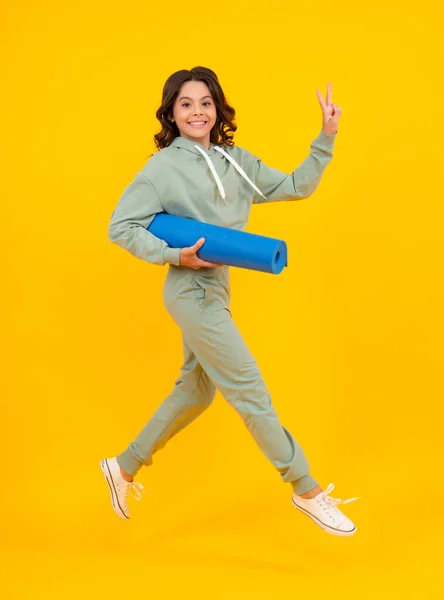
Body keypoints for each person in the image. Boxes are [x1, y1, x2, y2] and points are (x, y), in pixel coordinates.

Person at [100, 66, 359, 536]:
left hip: (217, 286)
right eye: (185, 104)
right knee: (249, 389)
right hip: (189, 289)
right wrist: (172, 253)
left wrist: (326, 137)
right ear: (172, 115)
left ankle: (124, 466)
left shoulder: (234, 161)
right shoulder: (162, 168)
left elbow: (295, 186)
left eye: (204, 102)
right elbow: (121, 226)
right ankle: (307, 489)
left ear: (217, 108)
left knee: (196, 392)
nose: (197, 112)